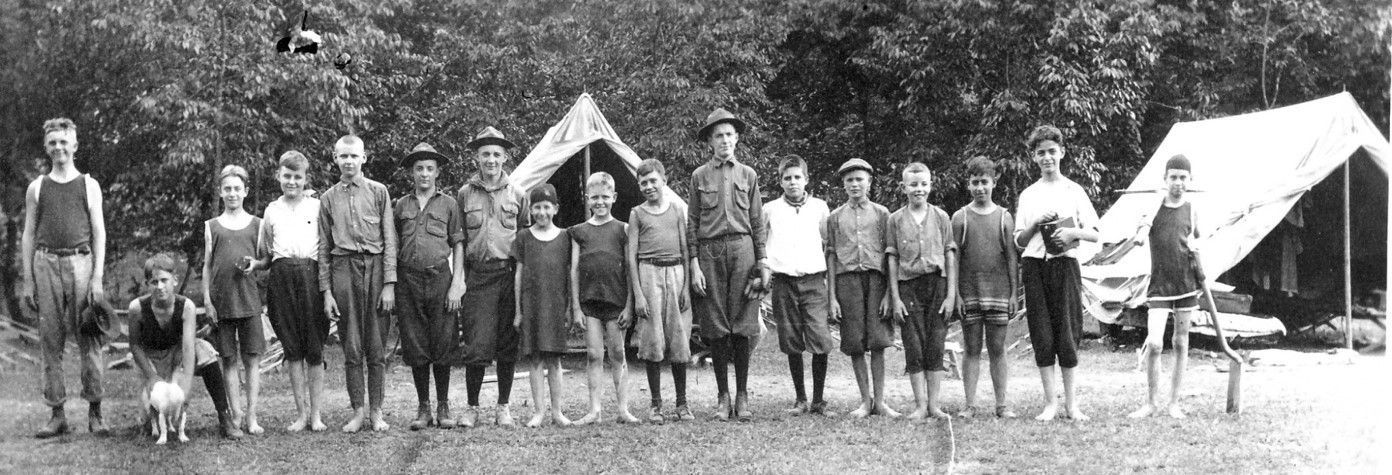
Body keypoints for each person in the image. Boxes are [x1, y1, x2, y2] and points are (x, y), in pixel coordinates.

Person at [20, 117, 111, 438]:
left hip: (81, 263)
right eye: (53, 143)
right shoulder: (37, 187)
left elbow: (99, 232)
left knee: (89, 336)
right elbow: (28, 234)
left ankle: (95, 412)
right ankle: (57, 413)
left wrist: (97, 277)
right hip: (45, 263)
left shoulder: (88, 185)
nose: (58, 148)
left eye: (64, 142)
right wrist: (28, 279)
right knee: (50, 340)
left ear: (74, 145)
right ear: (46, 148)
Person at [1013, 125, 1101, 421]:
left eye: (1052, 151)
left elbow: (1096, 233)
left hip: (1065, 266)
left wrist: (1071, 233)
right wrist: (1036, 223)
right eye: (1041, 153)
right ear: (1034, 157)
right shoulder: (1029, 194)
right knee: (1042, 333)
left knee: (1068, 332)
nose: (1047, 157)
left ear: (1062, 152)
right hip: (1035, 266)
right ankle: (1050, 404)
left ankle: (1072, 405)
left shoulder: (1074, 190)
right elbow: (1019, 241)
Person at [687, 108, 767, 421]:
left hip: (743, 249)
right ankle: (723, 396)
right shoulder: (699, 176)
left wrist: (762, 261)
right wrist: (694, 263)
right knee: (715, 324)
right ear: (710, 141)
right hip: (709, 252)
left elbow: (757, 220)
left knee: (743, 322)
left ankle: (742, 396)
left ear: (737, 139)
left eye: (729, 135)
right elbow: (692, 222)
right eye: (718, 135)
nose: (724, 140)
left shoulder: (748, 175)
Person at [318, 134, 398, 433]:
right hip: (343, 269)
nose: (349, 161)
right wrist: (327, 292)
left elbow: (389, 239)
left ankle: (376, 411)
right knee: (351, 347)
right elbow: (323, 247)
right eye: (343, 156)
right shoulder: (328, 198)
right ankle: (357, 411)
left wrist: (389, 284)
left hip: (375, 269)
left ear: (364, 158)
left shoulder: (379, 192)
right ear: (335, 158)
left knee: (376, 347)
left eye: (354, 156)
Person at [392, 143, 467, 430]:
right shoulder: (402, 205)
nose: (424, 174)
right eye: (419, 169)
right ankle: (423, 407)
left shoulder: (449, 204)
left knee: (443, 342)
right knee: (415, 343)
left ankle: (443, 405)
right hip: (408, 280)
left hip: (440, 278)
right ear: (412, 172)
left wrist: (457, 283)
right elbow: (394, 245)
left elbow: (458, 244)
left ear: (437, 172)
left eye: (429, 169)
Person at [456, 126, 527, 427]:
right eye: (485, 154)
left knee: (507, 343)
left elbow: (525, 238)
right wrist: (459, 279)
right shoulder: (465, 194)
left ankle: (503, 406)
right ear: (477, 157)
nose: (491, 160)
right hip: (478, 276)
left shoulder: (518, 194)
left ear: (505, 157)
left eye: (497, 154)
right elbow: (459, 239)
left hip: (508, 275)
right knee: (476, 343)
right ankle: (472, 407)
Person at [128, 254, 242, 439]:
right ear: (147, 284)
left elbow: (188, 347)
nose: (160, 286)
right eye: (154, 282)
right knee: (150, 424)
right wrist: (152, 376)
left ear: (174, 280)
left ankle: (224, 415)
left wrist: (185, 387)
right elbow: (135, 345)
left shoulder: (186, 306)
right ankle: (149, 416)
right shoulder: (137, 308)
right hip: (152, 359)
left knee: (203, 349)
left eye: (164, 280)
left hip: (177, 355)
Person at [257, 150, 329, 432]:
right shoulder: (271, 211)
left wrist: (325, 287)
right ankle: (301, 414)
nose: (292, 182)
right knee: (292, 348)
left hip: (310, 276)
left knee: (314, 347)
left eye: (297, 177)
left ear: (305, 178)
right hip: (281, 278)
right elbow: (266, 255)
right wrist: (255, 264)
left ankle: (316, 415)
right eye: (287, 176)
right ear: (278, 176)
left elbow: (325, 248)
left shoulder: (317, 206)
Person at [1127, 154, 1202, 419]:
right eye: (1173, 177)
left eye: (1183, 178)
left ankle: (1174, 403)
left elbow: (1197, 238)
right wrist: (1140, 230)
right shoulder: (1154, 207)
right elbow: (1140, 233)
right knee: (1155, 344)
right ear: (1165, 179)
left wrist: (1195, 249)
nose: (1178, 183)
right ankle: (1150, 403)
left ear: (1190, 179)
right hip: (1159, 284)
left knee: (1180, 342)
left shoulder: (1192, 209)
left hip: (1186, 285)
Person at [760, 155, 835, 416]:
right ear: (780, 181)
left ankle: (818, 400)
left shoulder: (819, 207)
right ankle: (800, 399)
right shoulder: (770, 209)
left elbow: (828, 242)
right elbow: (761, 245)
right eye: (787, 178)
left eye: (797, 177)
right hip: (783, 283)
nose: (793, 182)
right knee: (791, 340)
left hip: (813, 281)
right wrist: (765, 273)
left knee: (820, 339)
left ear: (806, 179)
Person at [826, 158, 898, 419]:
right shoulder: (835, 217)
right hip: (847, 282)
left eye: (859, 179)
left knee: (878, 341)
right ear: (843, 184)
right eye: (849, 180)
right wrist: (832, 297)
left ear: (869, 182)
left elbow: (890, 254)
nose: (855, 184)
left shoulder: (882, 214)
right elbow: (831, 255)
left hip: (876, 281)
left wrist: (889, 294)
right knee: (855, 342)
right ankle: (865, 401)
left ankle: (880, 401)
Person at [950, 156, 1019, 419]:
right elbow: (954, 258)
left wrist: (1013, 294)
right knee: (971, 348)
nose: (980, 188)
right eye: (975, 182)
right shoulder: (960, 218)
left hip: (999, 292)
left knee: (997, 349)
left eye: (984, 182)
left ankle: (1002, 404)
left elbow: (1011, 257)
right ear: (968, 184)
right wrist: (955, 294)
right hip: (970, 292)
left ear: (994, 183)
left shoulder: (1004, 217)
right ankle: (970, 405)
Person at [887, 162, 957, 420]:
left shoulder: (941, 217)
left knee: (936, 343)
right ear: (903, 187)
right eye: (913, 185)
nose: (919, 189)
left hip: (937, 285)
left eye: (923, 184)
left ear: (931, 185)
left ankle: (934, 405)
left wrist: (951, 295)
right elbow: (892, 258)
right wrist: (895, 298)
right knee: (914, 345)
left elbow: (949, 255)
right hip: (908, 287)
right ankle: (920, 405)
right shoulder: (895, 219)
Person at [627, 159, 695, 423]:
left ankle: (682, 403)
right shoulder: (637, 214)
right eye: (643, 183)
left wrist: (686, 287)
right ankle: (656, 404)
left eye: (653, 181)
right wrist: (638, 294)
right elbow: (632, 256)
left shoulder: (677, 209)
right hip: (649, 273)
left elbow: (686, 250)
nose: (649, 186)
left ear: (664, 181)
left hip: (676, 273)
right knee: (652, 339)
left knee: (679, 338)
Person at [201, 164, 266, 435]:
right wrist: (207, 299)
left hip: (248, 300)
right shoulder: (212, 226)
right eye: (227, 189)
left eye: (237, 188)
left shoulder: (257, 225)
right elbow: (207, 266)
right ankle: (235, 415)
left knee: (251, 360)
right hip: (223, 303)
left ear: (246, 191)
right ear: (220, 192)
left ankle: (251, 416)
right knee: (228, 359)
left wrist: (256, 264)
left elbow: (266, 260)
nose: (232, 193)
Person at [570, 172, 639, 425]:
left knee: (618, 353)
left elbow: (630, 269)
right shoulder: (579, 232)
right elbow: (574, 270)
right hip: (590, 302)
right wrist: (576, 308)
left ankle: (623, 409)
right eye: (595, 197)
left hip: (616, 301)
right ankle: (594, 410)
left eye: (605, 197)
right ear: (587, 198)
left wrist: (629, 306)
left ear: (614, 197)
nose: (600, 202)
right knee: (594, 355)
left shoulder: (623, 229)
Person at [513, 184, 576, 428]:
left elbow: (570, 274)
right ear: (530, 210)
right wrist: (518, 311)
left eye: (547, 207)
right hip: (531, 306)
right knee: (535, 359)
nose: (542, 212)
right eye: (537, 207)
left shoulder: (565, 237)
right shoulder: (523, 237)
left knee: (554, 360)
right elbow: (518, 274)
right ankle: (538, 412)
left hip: (556, 306)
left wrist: (570, 308)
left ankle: (557, 412)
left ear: (556, 209)